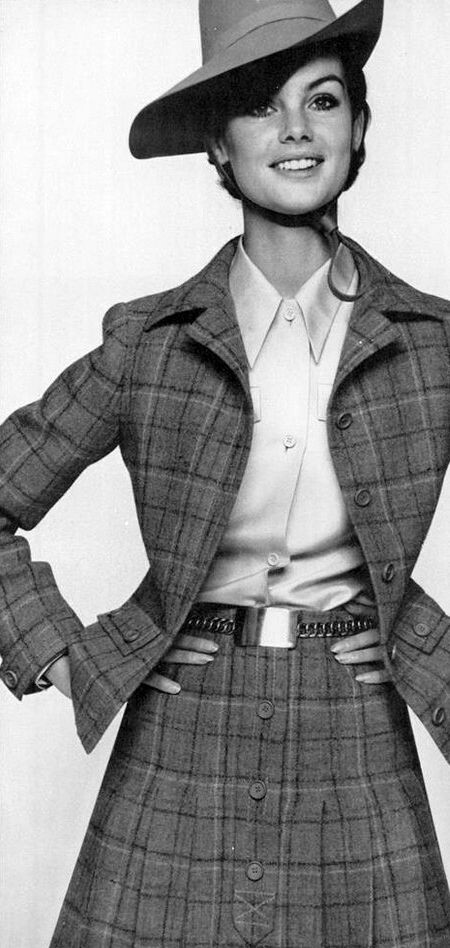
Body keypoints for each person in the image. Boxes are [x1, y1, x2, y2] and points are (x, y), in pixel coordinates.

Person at [0, 0, 449, 945]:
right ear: (217, 144)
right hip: (178, 741)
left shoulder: (434, 344)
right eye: (259, 105)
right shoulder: (148, 344)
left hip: (359, 743)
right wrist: (66, 655)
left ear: (359, 126)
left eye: (321, 100)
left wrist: (428, 645)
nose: (295, 130)